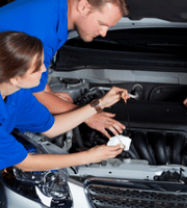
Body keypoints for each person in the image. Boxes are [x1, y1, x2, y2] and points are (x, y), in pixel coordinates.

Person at [0, 0, 129, 138]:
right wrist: (88, 115)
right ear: (83, 6)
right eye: (102, 24)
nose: (104, 33)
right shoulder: (42, 34)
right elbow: (33, 93)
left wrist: (49, 92)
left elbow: (38, 73)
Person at [0, 31, 129, 171]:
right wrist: (90, 156)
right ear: (15, 78)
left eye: (43, 63)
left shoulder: (19, 94)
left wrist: (100, 103)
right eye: (36, 69)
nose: (44, 69)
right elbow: (25, 163)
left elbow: (52, 127)